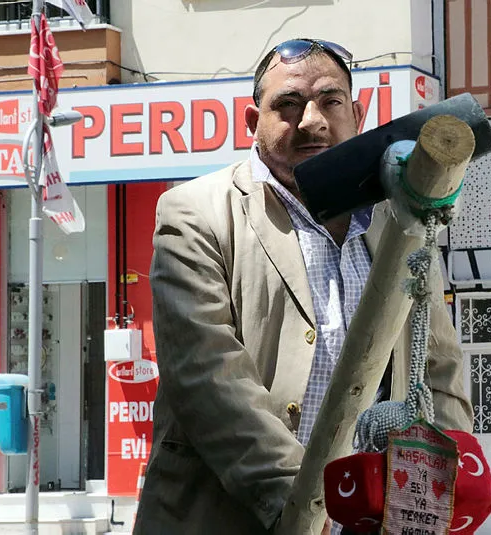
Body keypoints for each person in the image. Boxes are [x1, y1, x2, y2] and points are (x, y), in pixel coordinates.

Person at [133, 38, 473, 535]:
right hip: (235, 517)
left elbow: (437, 370)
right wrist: (305, 509)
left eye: (330, 101)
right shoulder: (194, 213)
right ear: (253, 123)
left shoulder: (401, 217)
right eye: (288, 105)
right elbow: (208, 381)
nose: (312, 120)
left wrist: (432, 501)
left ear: (357, 113)